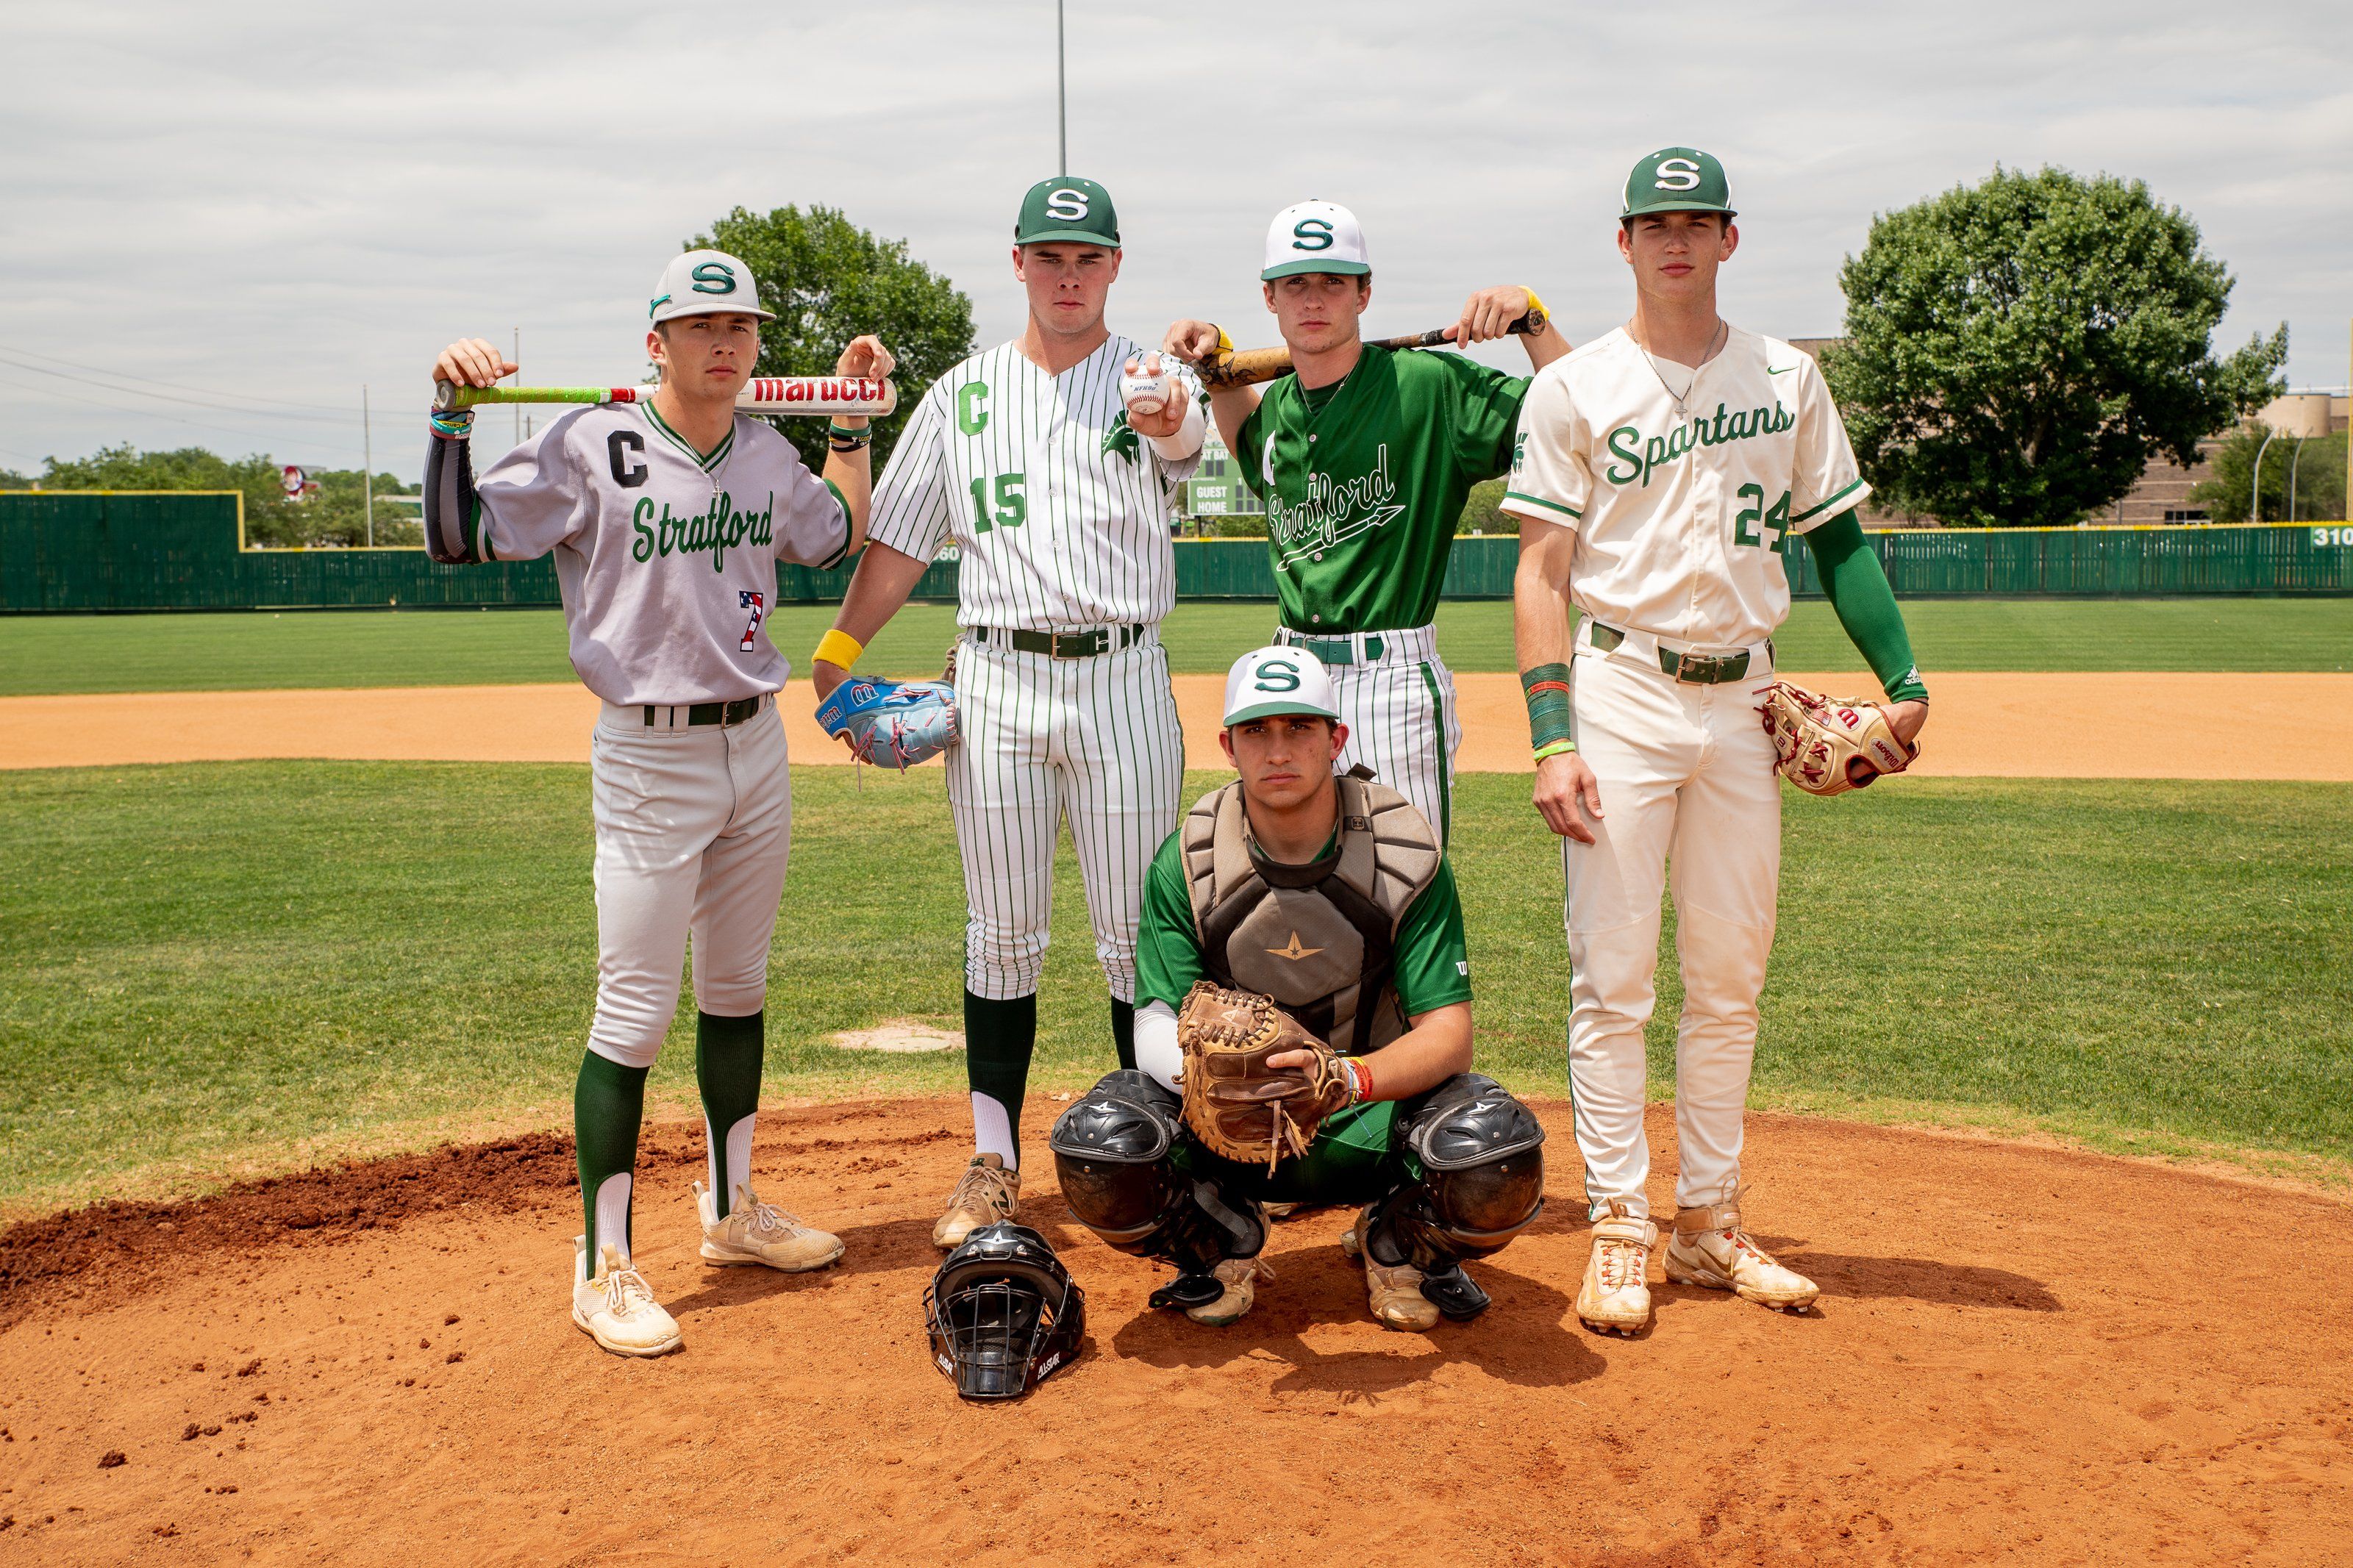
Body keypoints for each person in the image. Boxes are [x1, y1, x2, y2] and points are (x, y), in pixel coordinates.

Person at [423, 248, 896, 1356]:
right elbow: (456, 538)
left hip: (754, 746)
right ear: (659, 342)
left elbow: (836, 535)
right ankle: (603, 1266)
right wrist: (451, 416)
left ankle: (731, 1213)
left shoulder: (766, 448)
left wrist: (852, 422)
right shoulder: (594, 440)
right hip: (646, 755)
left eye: (741, 325)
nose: (725, 343)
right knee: (631, 1015)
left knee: (736, 990)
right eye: (701, 325)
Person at [1502, 148, 1931, 1336]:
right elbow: (1539, 573)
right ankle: (1620, 1227)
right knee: (1614, 977)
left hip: (1747, 699)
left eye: (1696, 222)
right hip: (1621, 689)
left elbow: (1841, 541)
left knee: (1730, 980)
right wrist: (1550, 735)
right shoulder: (1575, 387)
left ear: (1729, 238)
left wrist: (1903, 678)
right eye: (1655, 223)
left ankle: (1707, 1219)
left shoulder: (1788, 375)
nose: (1675, 241)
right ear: (1624, 242)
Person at [810, 177, 1206, 1250]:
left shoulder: (1152, 383)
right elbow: (896, 542)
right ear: (1019, 262)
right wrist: (838, 651)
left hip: (1121, 675)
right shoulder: (963, 394)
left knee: (1138, 940)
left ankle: (1153, 1148)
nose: (1067, 274)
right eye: (1049, 255)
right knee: (1002, 934)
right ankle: (995, 1159)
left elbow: (1184, 442)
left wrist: (1169, 414)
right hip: (994, 677)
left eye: (1087, 257)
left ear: (1114, 266)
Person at [1048, 648, 1546, 1331]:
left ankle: (1399, 1243)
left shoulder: (1402, 852)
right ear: (1228, 745)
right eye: (1256, 731)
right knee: (1103, 1143)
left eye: (1299, 728)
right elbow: (1153, 1020)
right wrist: (1221, 1076)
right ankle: (1222, 1240)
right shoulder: (1191, 858)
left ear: (1336, 739)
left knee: (1496, 1149)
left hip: (1367, 1119)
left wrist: (1342, 1078)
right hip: (1236, 1131)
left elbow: (1448, 1034)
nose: (1277, 750)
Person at [1161, 201, 1571, 842]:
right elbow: (1234, 413)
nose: (1314, 298)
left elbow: (1583, 415)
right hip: (1289, 678)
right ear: (1270, 296)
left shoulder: (1431, 387)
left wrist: (1534, 322)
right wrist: (1215, 352)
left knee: (1404, 885)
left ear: (1364, 292)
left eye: (1333, 281)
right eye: (1296, 283)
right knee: (1295, 892)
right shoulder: (1273, 414)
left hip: (1394, 678)